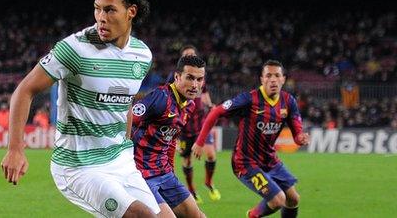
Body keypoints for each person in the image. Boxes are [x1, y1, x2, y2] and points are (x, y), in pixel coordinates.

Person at [0, 0, 160, 217]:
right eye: (97, 9)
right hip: (78, 166)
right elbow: (24, 90)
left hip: (120, 161)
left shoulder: (142, 55)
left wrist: (126, 145)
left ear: (131, 12)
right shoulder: (74, 49)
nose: (101, 18)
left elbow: (126, 101)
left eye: (110, 10)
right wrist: (15, 149)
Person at [192, 60, 310, 218]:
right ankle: (252, 215)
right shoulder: (249, 99)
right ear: (262, 79)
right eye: (268, 75)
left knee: (293, 199)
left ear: (283, 79)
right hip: (245, 162)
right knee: (278, 199)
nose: (273, 79)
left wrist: (300, 137)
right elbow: (216, 112)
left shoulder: (288, 101)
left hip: (269, 160)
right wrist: (200, 142)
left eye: (277, 75)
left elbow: (297, 133)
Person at [131, 55, 207, 218]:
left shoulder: (190, 105)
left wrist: (171, 170)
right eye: (190, 78)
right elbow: (127, 118)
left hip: (164, 173)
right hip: (141, 173)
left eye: (199, 79)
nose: (195, 85)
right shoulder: (160, 98)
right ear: (177, 77)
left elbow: (171, 141)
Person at [169, 45, 220, 203]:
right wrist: (173, 135)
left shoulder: (200, 78)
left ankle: (208, 182)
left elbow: (204, 94)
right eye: (187, 55)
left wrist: (210, 105)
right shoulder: (174, 79)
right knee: (187, 161)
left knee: (211, 154)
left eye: (193, 54)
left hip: (200, 125)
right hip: (184, 129)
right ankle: (191, 189)